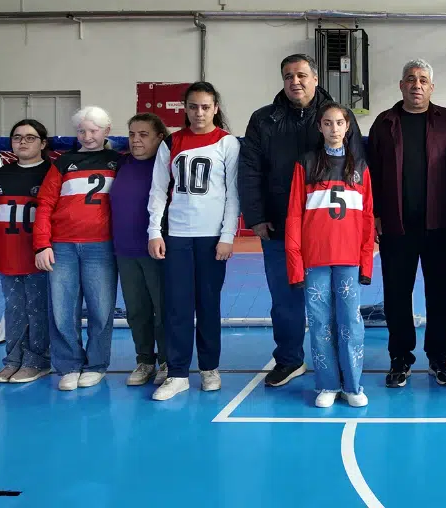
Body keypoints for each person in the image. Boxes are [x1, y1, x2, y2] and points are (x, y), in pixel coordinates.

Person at [241, 54, 363, 388]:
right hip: (280, 226)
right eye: (288, 76)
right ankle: (290, 359)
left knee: (337, 301)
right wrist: (256, 217)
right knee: (285, 298)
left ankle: (340, 364)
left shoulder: (338, 115)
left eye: (302, 75)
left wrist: (360, 230)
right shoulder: (263, 120)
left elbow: (357, 170)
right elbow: (249, 169)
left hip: (331, 231)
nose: (295, 81)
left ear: (316, 77)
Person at [367, 59, 446, 388]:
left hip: (440, 226)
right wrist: (376, 214)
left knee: (440, 295)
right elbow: (373, 174)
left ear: (432, 87)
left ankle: (439, 356)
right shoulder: (383, 123)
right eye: (410, 79)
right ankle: (401, 357)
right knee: (397, 295)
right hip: (397, 226)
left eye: (423, 79)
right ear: (401, 85)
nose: (416, 84)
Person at [148, 83, 241, 400]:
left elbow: (233, 194)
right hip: (177, 236)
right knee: (177, 307)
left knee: (208, 305)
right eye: (192, 107)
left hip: (212, 238)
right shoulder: (171, 142)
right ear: (184, 109)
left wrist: (227, 236)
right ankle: (176, 374)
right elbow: (159, 191)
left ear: (215, 107)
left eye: (205, 106)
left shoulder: (227, 144)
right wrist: (154, 232)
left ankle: (209, 368)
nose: (199, 113)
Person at [286, 103, 375, 408]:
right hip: (316, 259)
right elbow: (294, 216)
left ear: (347, 127)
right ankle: (327, 385)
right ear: (320, 127)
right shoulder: (306, 164)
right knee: (320, 321)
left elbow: (367, 218)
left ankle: (352, 385)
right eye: (327, 123)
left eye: (339, 123)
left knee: (350, 321)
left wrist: (366, 262)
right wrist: (295, 264)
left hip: (349, 259)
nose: (334, 128)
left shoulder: (360, 168)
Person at [34, 106, 122, 392]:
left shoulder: (118, 162)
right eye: (82, 131)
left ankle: (96, 365)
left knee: (101, 308)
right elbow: (45, 204)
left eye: (94, 130)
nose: (88, 136)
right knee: (62, 309)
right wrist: (42, 244)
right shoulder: (62, 163)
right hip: (63, 246)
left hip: (102, 246)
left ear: (107, 131)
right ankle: (69, 365)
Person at [0, 119, 54, 384]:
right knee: (14, 308)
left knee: (38, 307)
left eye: (30, 137)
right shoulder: (2, 175)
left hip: (39, 253)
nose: (23, 142)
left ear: (43, 143)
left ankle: (37, 360)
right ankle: (13, 359)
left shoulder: (51, 172)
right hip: (8, 251)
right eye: (17, 137)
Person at [112, 113, 170, 389]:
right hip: (125, 251)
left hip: (157, 251)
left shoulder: (167, 167)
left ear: (160, 137)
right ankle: (145, 360)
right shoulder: (121, 164)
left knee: (163, 309)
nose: (136, 140)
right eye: (132, 134)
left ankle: (169, 361)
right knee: (136, 310)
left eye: (144, 134)